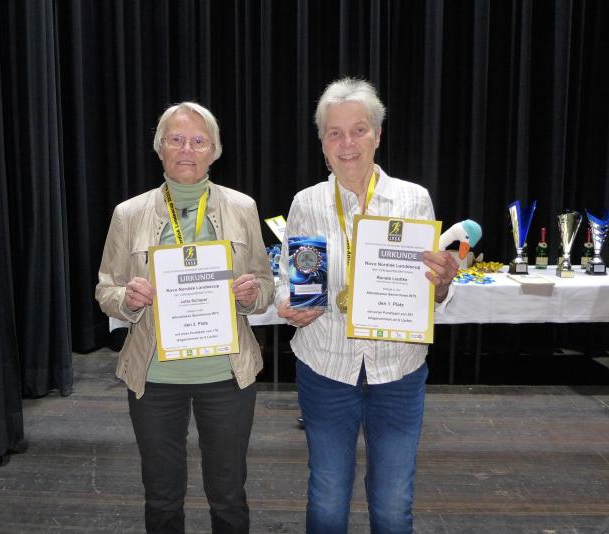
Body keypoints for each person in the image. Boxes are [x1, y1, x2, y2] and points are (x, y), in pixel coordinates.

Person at [276, 78, 459, 533]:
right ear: (322, 144)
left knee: (394, 504)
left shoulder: (413, 199)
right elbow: (293, 282)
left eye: (358, 130)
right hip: (326, 367)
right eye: (334, 133)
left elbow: (431, 292)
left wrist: (441, 284)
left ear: (377, 135)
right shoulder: (308, 203)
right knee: (327, 496)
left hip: (398, 370)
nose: (348, 143)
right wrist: (292, 305)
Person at [95, 101, 273, 534]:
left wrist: (253, 295)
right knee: (161, 498)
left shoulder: (243, 207)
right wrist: (127, 299)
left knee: (228, 496)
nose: (187, 149)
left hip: (227, 375)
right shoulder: (129, 214)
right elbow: (105, 290)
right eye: (176, 139)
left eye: (198, 141)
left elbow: (267, 284)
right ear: (160, 148)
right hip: (155, 377)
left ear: (215, 151)